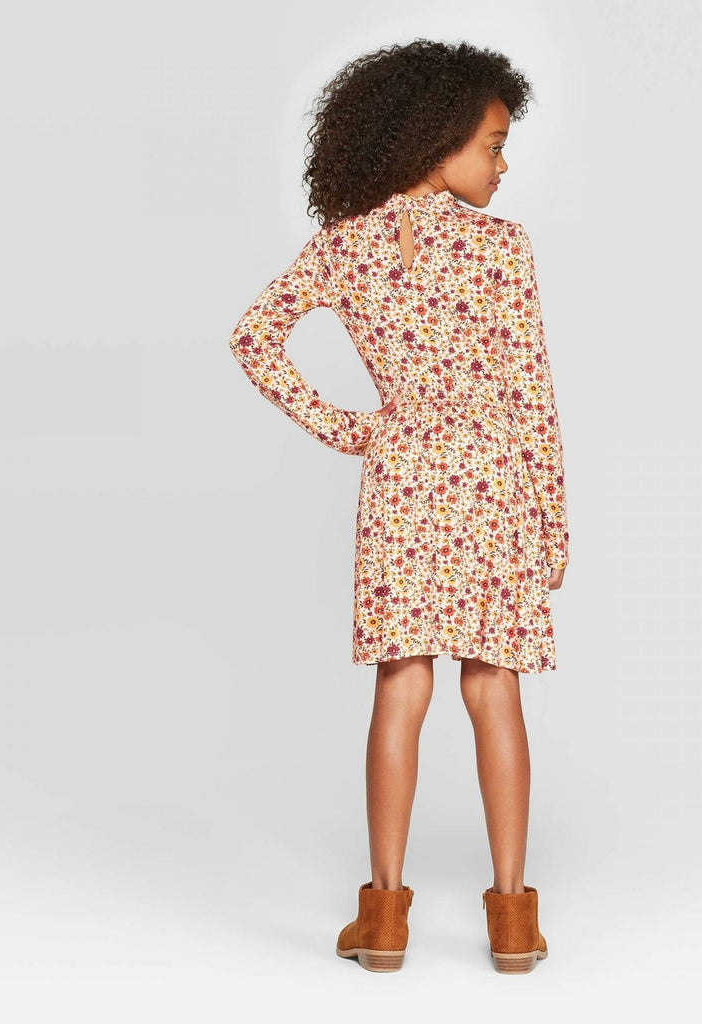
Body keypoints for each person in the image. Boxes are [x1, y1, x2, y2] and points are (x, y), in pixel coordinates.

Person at [228, 39, 570, 974]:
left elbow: (254, 338)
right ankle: (513, 920)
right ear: (436, 140)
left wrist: (351, 428)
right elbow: (531, 396)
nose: (503, 165)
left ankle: (383, 919)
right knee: (494, 687)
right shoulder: (501, 247)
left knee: (401, 686)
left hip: (404, 480)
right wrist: (551, 521)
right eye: (494, 146)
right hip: (494, 482)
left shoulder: (346, 243)